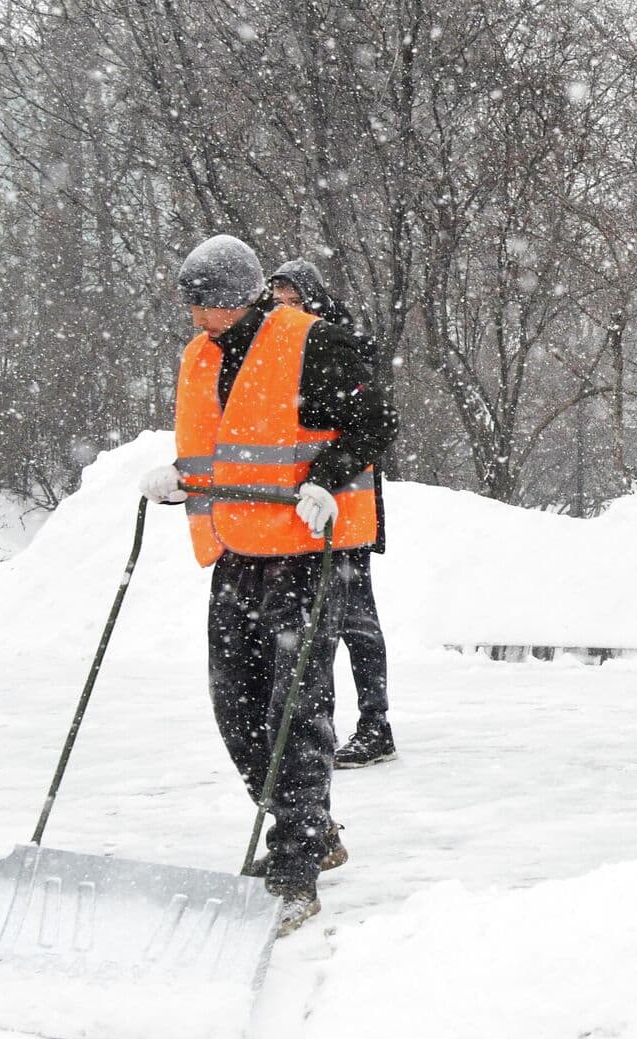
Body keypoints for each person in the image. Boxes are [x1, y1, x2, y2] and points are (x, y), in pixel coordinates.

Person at [140, 235, 395, 933]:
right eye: (190, 301)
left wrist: (326, 480)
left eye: (205, 301)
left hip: (309, 551)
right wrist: (180, 479)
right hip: (236, 551)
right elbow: (223, 445)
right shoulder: (201, 356)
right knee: (238, 707)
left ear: (238, 297)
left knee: (296, 707)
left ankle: (296, 865)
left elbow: (376, 421)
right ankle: (307, 826)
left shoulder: (315, 343)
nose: (195, 314)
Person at [267, 260, 398, 768]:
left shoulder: (335, 346)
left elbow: (374, 424)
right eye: (274, 296)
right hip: (293, 515)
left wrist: (326, 476)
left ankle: (375, 724)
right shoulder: (269, 352)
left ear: (311, 299)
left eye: (290, 296)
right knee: (305, 629)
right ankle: (310, 734)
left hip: (345, 513)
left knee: (356, 622)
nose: (281, 305)